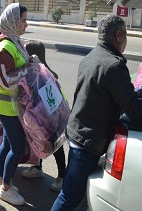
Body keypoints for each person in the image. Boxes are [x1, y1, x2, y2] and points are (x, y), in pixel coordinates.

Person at [51, 15, 142, 210]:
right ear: (118, 35)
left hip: (78, 133)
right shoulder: (114, 65)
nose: (126, 41)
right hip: (87, 142)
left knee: (75, 192)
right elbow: (134, 108)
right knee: (69, 196)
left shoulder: (91, 57)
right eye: (125, 36)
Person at [0, 3, 29, 206]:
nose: (25, 24)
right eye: (22, 20)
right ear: (13, 22)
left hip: (10, 106)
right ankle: (6, 188)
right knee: (18, 146)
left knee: (7, 143)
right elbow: (5, 80)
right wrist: (29, 70)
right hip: (8, 106)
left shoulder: (13, 41)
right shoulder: (5, 46)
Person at [21, 40, 66, 192]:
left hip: (51, 119)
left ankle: (62, 176)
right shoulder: (38, 71)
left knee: (55, 146)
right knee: (37, 141)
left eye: (25, 51)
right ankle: (37, 167)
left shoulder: (43, 74)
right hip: (40, 119)